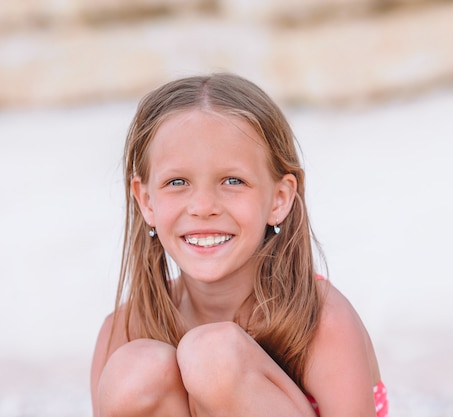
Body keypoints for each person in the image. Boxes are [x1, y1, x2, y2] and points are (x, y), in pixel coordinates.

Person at [90, 73, 388, 417]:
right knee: (133, 371)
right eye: (177, 182)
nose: (203, 206)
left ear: (279, 199)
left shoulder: (321, 320)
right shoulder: (124, 330)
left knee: (214, 357)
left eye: (233, 180)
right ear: (147, 202)